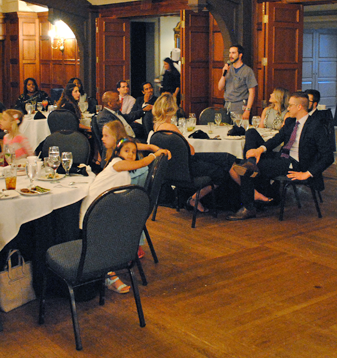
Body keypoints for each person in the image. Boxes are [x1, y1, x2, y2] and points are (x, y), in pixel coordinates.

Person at [79, 137, 169, 294]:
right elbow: (141, 163)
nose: (130, 154)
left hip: (105, 209)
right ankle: (109, 274)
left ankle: (109, 269)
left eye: (133, 152)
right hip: (94, 212)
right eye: (126, 151)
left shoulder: (123, 168)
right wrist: (155, 154)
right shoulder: (117, 164)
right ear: (117, 153)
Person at [233, 91, 334, 220]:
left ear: (299, 107)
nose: (288, 108)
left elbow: (328, 156)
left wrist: (307, 173)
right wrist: (259, 149)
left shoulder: (316, 126)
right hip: (282, 157)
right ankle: (251, 162)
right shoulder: (291, 122)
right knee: (251, 132)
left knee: (247, 169)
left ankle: (249, 207)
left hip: (295, 163)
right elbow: (277, 139)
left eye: (291, 105)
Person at [149, 93, 251, 212]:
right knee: (224, 167)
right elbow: (191, 150)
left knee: (226, 158)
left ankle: (195, 199)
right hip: (188, 168)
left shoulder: (156, 127)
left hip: (172, 170)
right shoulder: (171, 127)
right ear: (171, 108)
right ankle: (249, 196)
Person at [218, 44, 258, 120]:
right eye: (230, 53)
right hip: (227, 105)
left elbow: (252, 92)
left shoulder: (247, 71)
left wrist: (248, 110)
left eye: (233, 53)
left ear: (240, 55)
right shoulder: (228, 69)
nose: (230, 55)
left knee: (238, 130)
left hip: (240, 106)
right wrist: (223, 75)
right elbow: (220, 87)